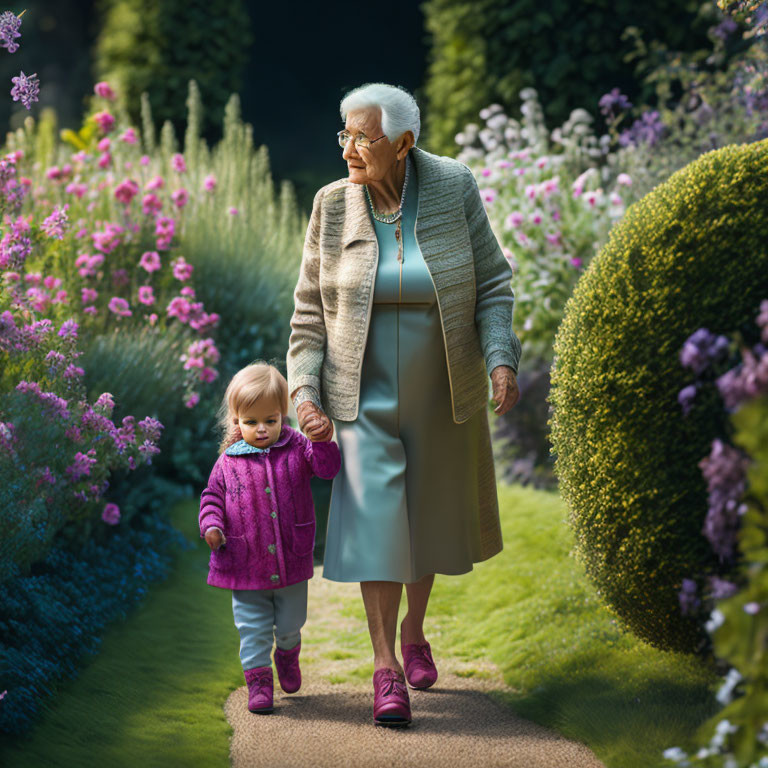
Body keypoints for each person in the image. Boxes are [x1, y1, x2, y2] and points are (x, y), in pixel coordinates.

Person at [286, 82, 522, 727]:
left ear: (404, 143)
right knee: (379, 526)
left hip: (444, 390)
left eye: (363, 138)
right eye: (345, 136)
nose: (350, 150)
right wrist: (305, 392)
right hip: (360, 398)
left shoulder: (452, 186)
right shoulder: (331, 207)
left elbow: (495, 284)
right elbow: (308, 316)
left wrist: (500, 356)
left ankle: (416, 630)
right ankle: (386, 666)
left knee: (428, 520)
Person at [198, 362, 341, 714]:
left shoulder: (297, 448)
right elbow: (212, 497)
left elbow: (327, 468)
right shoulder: (228, 462)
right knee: (251, 628)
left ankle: (288, 653)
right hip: (244, 562)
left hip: (290, 557)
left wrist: (322, 441)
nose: (262, 429)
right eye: (251, 422)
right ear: (236, 420)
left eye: (270, 420)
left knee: (291, 623)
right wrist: (212, 526)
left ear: (283, 415)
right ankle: (259, 683)